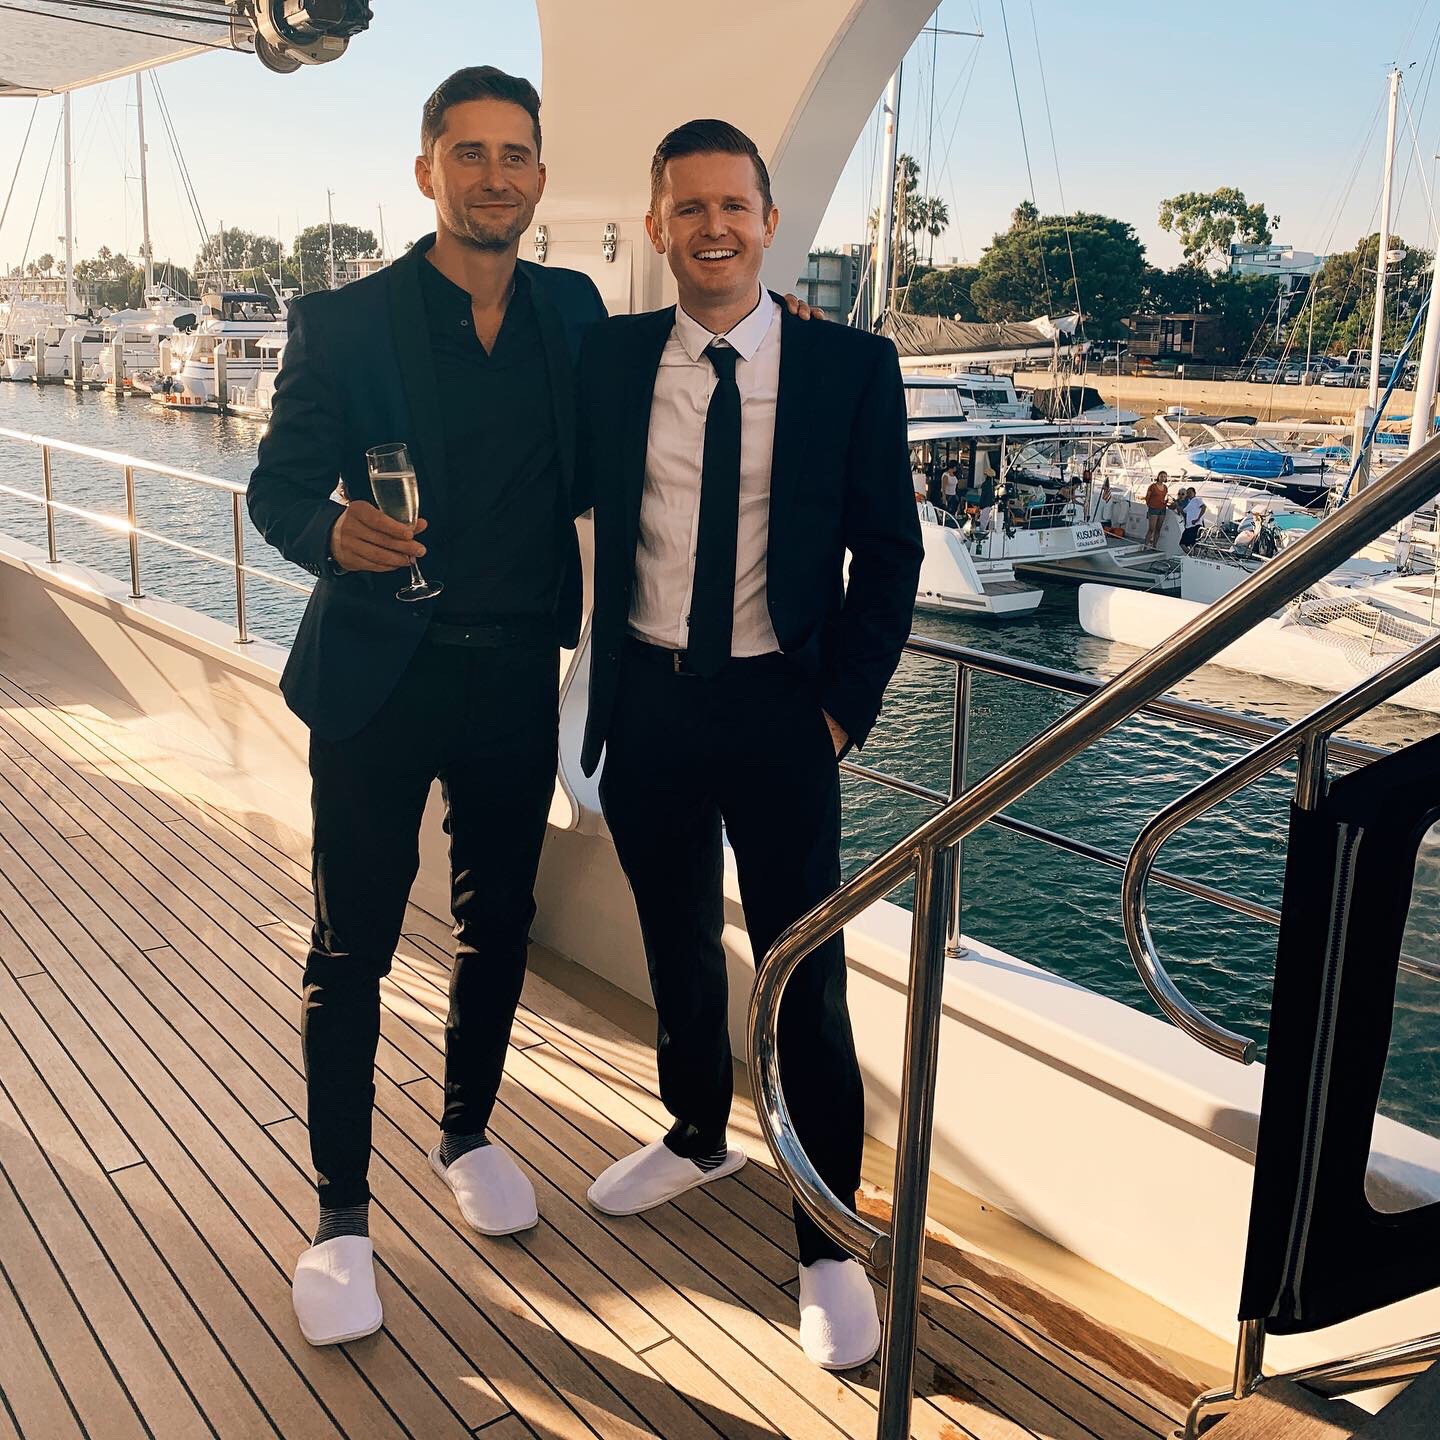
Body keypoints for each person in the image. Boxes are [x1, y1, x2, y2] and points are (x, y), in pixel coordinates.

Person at [247, 66, 610, 1348]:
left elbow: (659, 398)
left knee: (496, 919)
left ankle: (466, 1130)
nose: (494, 177)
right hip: (376, 671)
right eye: (470, 154)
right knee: (352, 943)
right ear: (428, 171)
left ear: (539, 178)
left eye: (516, 156)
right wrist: (324, 530)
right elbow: (275, 488)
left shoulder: (573, 311)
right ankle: (341, 1215)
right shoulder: (343, 323)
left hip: (515, 668)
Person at [575, 119, 921, 1371]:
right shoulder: (612, 361)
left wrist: (840, 708)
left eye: (736, 205)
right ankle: (693, 1130)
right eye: (689, 208)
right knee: (673, 939)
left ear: (770, 221)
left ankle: (826, 1237)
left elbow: (890, 558)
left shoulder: (851, 369)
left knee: (802, 975)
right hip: (652, 703)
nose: (713, 227)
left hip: (785, 710)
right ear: (658, 226)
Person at [1143, 470, 1170, 551]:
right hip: (1153, 508)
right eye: (1161, 476)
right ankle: (1146, 545)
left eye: (1165, 476)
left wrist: (1165, 502)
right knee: (1151, 528)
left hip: (1162, 509)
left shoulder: (1165, 488)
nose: (1163, 478)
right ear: (1158, 477)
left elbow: (1163, 497)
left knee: (1158, 528)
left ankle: (1154, 545)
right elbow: (1147, 497)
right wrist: (1149, 505)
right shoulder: (1153, 486)